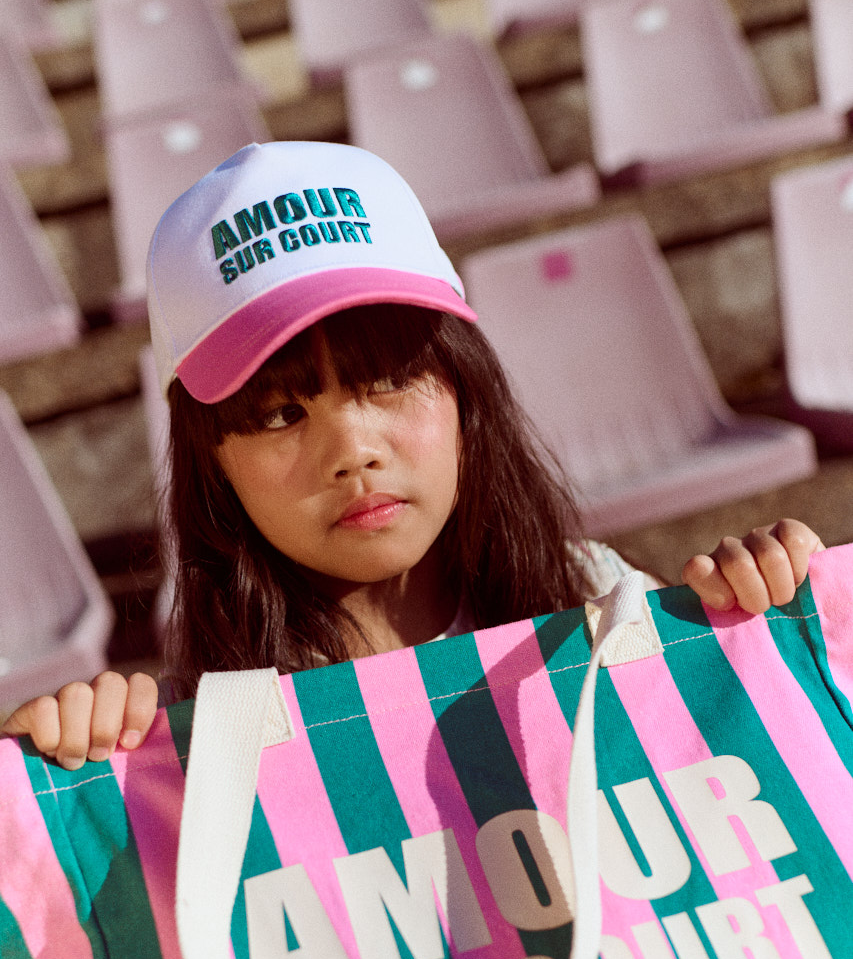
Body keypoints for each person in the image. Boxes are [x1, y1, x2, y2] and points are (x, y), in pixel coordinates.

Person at [1, 140, 823, 770]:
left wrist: (770, 620)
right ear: (213, 460)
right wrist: (60, 789)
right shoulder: (190, 748)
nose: (352, 452)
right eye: (283, 412)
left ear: (467, 392)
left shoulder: (602, 599)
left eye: (391, 380)